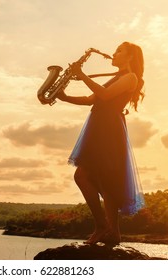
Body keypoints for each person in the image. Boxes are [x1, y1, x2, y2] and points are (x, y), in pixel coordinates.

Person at [57, 42, 145, 245]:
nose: (113, 53)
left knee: (88, 177)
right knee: (102, 181)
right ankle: (111, 232)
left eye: (119, 51)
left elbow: (104, 96)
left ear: (130, 57)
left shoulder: (130, 78)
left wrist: (82, 74)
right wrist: (63, 97)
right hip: (100, 127)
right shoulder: (116, 77)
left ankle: (103, 226)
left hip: (108, 130)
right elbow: (91, 99)